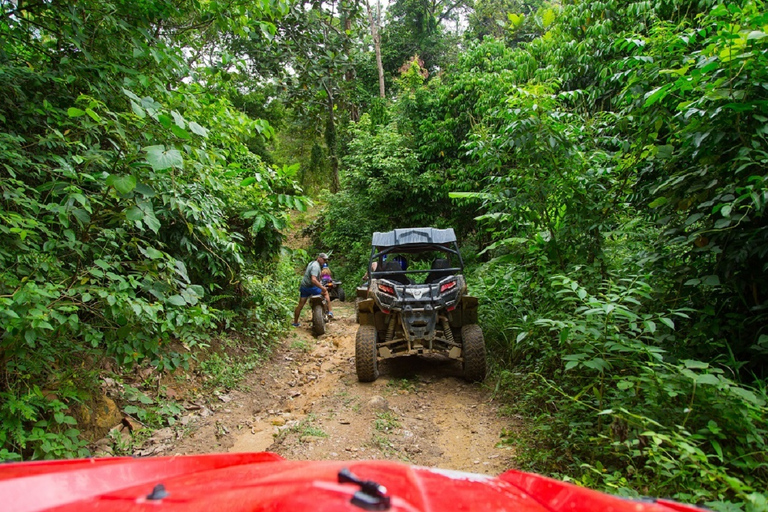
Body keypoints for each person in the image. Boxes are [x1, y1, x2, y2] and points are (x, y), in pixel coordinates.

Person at [293, 253, 333, 327]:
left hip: (304, 287)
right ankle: (330, 311)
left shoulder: (312, 263)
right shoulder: (316, 266)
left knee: (300, 305)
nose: (324, 261)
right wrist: (322, 287)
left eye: (325, 260)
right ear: (319, 258)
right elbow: (313, 280)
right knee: (325, 292)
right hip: (310, 287)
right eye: (323, 260)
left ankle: (295, 322)